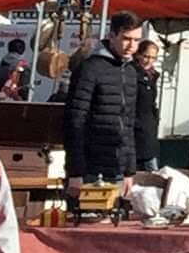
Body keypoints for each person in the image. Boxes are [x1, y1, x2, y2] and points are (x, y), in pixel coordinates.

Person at [64, 12, 158, 182]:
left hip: (119, 168)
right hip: (90, 168)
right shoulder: (90, 68)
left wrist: (129, 171)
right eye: (126, 39)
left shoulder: (130, 72)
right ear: (112, 36)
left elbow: (128, 124)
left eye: (136, 40)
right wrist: (75, 172)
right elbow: (75, 121)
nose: (132, 45)